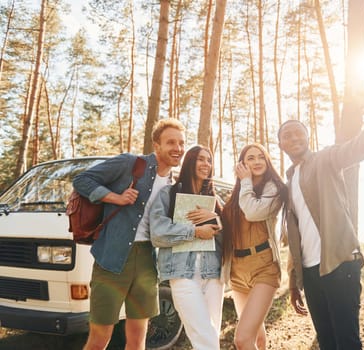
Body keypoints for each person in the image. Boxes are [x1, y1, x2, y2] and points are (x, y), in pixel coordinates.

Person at [278, 93, 364, 350]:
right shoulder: (289, 180)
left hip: (340, 264)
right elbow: (295, 236)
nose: (294, 137)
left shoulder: (326, 158)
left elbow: (357, 147)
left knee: (347, 342)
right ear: (281, 145)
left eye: (299, 132)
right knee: (327, 342)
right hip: (310, 273)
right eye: (287, 135)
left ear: (307, 137)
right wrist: (294, 280)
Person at [73, 118, 186, 350]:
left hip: (147, 261)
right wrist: (116, 198)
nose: (178, 148)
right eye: (171, 142)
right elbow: (81, 180)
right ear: (156, 145)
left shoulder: (175, 184)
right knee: (100, 338)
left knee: (137, 339)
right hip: (111, 259)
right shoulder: (131, 163)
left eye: (181, 143)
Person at [149, 145, 224, 350]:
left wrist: (217, 219)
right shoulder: (169, 194)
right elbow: (157, 233)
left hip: (213, 274)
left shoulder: (215, 200)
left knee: (211, 334)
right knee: (202, 334)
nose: (206, 164)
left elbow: (231, 236)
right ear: (190, 161)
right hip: (182, 274)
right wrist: (194, 231)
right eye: (201, 159)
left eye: (209, 160)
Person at [221, 143, 288, 350]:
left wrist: (246, 181)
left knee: (242, 339)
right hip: (238, 271)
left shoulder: (274, 188)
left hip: (264, 268)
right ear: (242, 163)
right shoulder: (237, 193)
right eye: (250, 158)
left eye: (261, 157)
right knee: (256, 337)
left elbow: (253, 212)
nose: (257, 161)